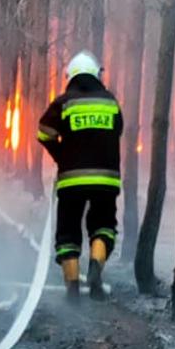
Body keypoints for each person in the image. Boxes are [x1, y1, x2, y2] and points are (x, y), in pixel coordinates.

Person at [36, 51, 123, 301]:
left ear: (71, 76)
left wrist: (62, 155)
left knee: (68, 233)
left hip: (72, 179)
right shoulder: (110, 101)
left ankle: (72, 290)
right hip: (106, 180)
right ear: (97, 75)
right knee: (103, 226)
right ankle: (95, 267)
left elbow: (44, 133)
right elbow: (118, 130)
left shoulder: (64, 102)